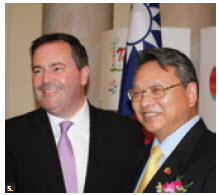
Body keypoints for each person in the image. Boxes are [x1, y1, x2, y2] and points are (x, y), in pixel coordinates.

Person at [5, 33, 145, 193]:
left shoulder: (126, 132)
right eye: (38, 70)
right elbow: (8, 188)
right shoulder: (10, 136)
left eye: (57, 68)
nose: (45, 79)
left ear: (83, 75)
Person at [127, 48, 216, 193]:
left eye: (156, 90)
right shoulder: (133, 158)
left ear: (191, 94)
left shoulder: (212, 156)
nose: (144, 102)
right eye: (137, 93)